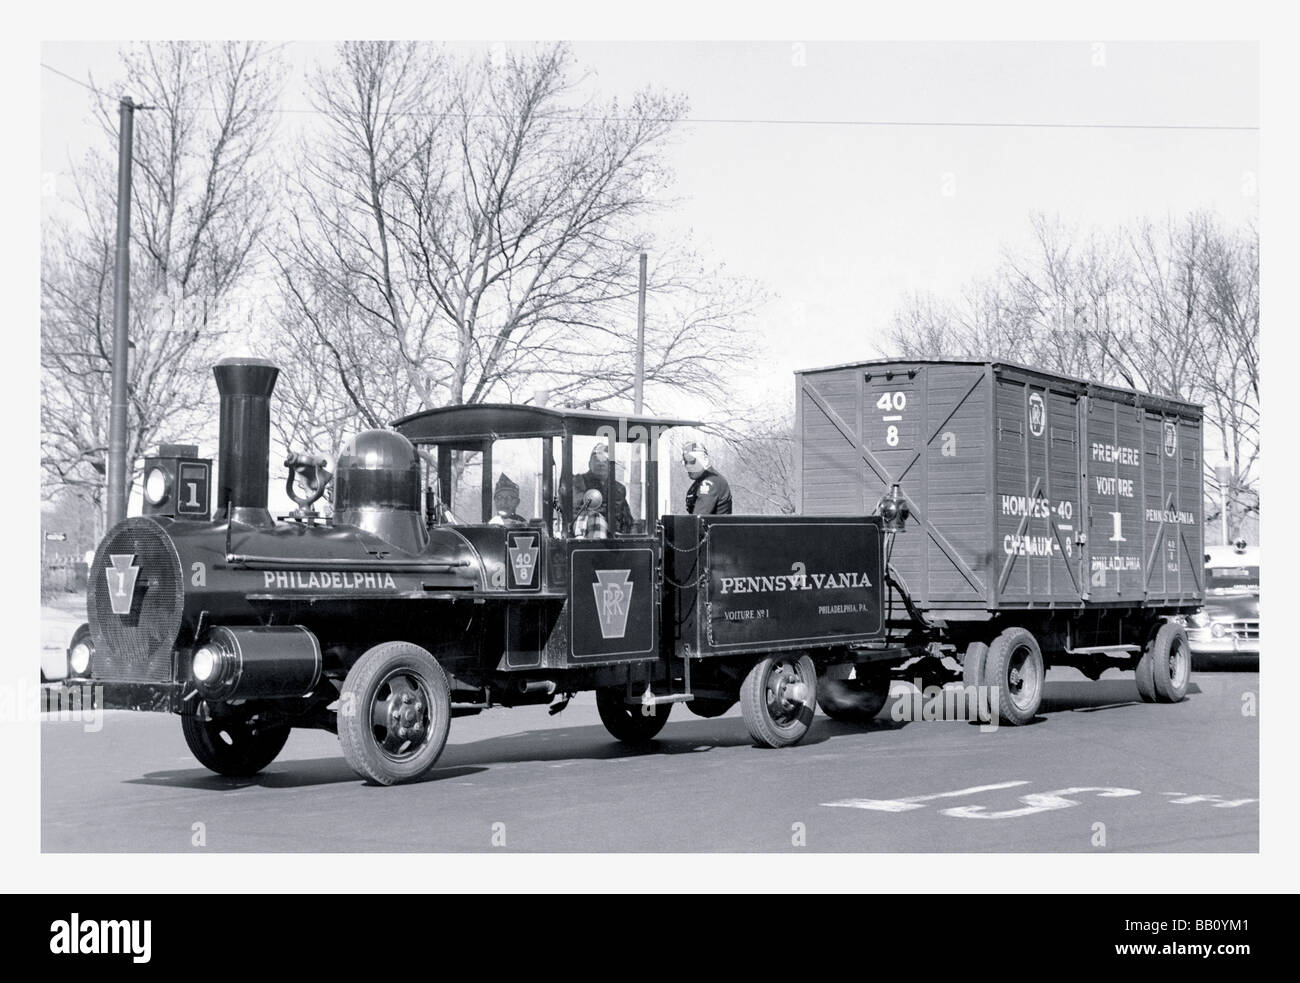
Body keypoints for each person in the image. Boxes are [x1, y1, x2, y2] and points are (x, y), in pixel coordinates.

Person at [574, 441, 635, 534]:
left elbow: (627, 519)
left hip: (614, 540)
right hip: (587, 540)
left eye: (605, 461)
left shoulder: (619, 489)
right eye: (597, 460)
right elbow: (575, 512)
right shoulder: (579, 482)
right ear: (589, 463)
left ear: (610, 466)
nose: (601, 464)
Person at [682, 441, 732, 515]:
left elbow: (697, 520)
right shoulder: (702, 481)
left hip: (710, 526)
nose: (688, 466)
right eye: (686, 461)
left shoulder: (709, 483)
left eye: (692, 461)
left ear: (704, 460)